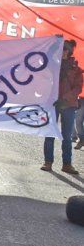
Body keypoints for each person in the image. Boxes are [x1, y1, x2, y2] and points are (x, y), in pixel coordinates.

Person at [42, 39, 83, 174]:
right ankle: (48, 162)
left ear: (70, 51)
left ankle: (67, 164)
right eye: (62, 48)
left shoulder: (76, 69)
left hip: (69, 106)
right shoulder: (53, 65)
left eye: (66, 49)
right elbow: (45, 57)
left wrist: (64, 99)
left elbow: (77, 88)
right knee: (50, 133)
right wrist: (54, 43)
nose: (64, 51)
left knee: (66, 136)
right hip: (53, 104)